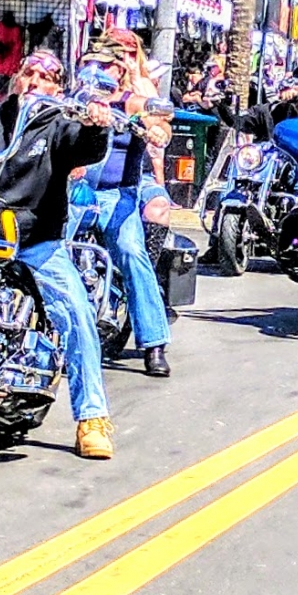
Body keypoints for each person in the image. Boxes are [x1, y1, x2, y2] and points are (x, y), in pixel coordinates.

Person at [0, 50, 118, 458]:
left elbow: (85, 148)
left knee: (76, 312)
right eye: (29, 72)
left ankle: (92, 417)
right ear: (16, 78)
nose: (35, 81)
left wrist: (96, 125)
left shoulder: (60, 126)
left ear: (58, 88)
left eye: (46, 76)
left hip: (33, 241)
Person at [74, 37, 174, 378]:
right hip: (76, 191)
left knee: (131, 251)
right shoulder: (75, 100)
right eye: (91, 64)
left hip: (117, 194)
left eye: (102, 66)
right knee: (47, 250)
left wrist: (157, 132)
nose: (95, 72)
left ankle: (154, 343)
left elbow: (159, 119)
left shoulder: (131, 102)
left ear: (118, 69)